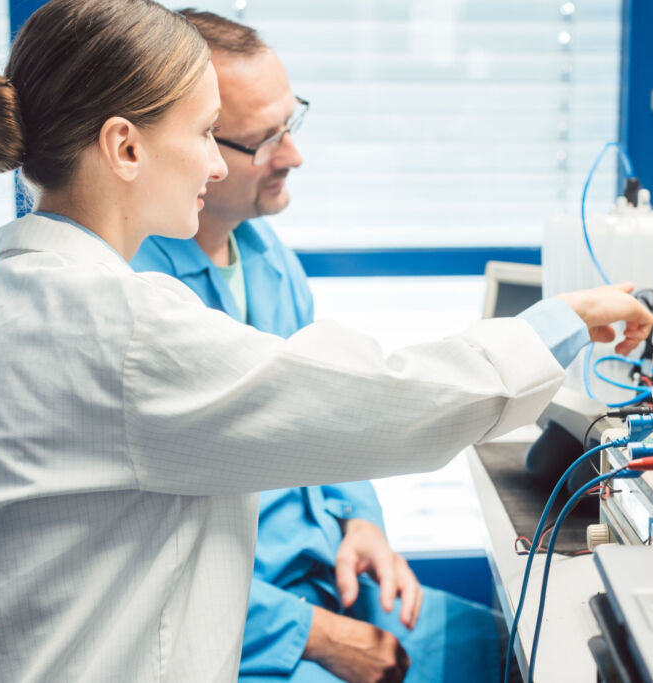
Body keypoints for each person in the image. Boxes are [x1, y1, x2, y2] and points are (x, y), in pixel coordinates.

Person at [0, 1, 653, 681]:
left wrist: (361, 521)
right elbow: (373, 401)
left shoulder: (5, 307)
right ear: (125, 147)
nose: (215, 164)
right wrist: (564, 323)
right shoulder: (118, 328)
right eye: (209, 133)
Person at [129, 12, 527, 683]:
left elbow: (329, 409)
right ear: (184, 140)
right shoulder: (139, 299)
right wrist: (313, 635)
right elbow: (142, 567)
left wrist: (359, 521)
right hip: (244, 630)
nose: (292, 156)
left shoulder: (267, 258)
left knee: (508, 649)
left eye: (291, 124)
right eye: (263, 140)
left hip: (328, 581)